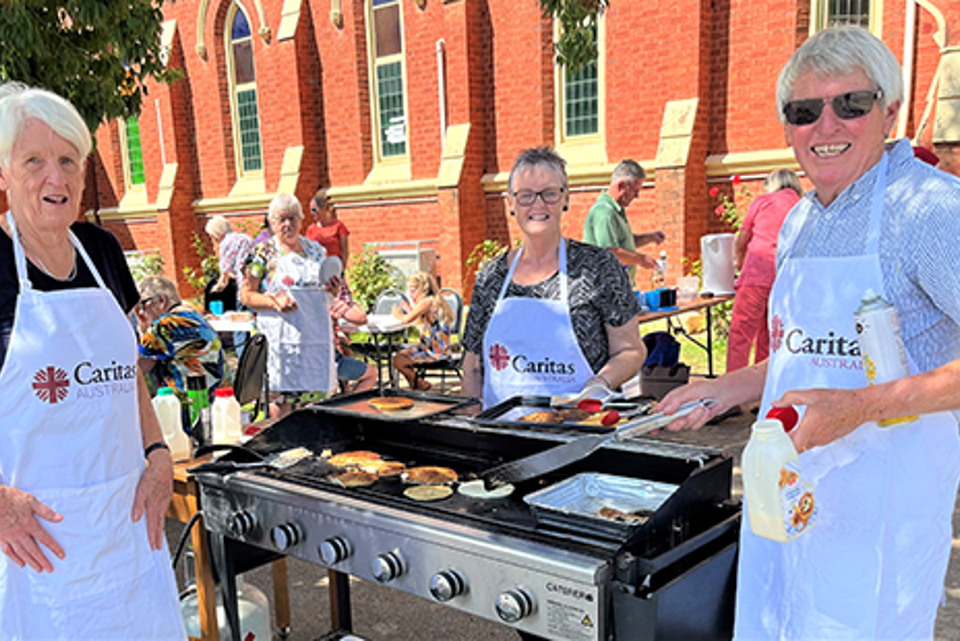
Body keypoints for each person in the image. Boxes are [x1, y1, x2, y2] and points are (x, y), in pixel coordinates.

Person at [660, 27, 960, 639]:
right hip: (788, 499)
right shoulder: (798, 219)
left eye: (850, 103)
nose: (826, 127)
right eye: (804, 112)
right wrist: (728, 388)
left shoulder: (930, 209)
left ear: (890, 111)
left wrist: (859, 408)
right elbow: (802, 353)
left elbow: (852, 388)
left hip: (881, 514)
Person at [0, 82, 184, 637]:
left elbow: (127, 373)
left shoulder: (101, 250)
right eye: (34, 160)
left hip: (128, 532)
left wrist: (157, 453)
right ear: (3, 173)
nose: (56, 177)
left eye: (68, 160)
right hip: (35, 547)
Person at [462, 147, 645, 407]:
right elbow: (472, 367)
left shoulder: (598, 267)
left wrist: (599, 384)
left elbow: (630, 351)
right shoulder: (490, 277)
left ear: (565, 198)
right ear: (510, 203)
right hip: (500, 434)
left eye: (549, 194)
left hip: (579, 432)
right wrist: (472, 426)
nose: (538, 204)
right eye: (526, 195)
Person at [241, 193, 338, 416]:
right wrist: (274, 302)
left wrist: (332, 288)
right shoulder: (261, 253)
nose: (288, 224)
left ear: (302, 220)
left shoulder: (316, 251)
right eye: (281, 219)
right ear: (272, 222)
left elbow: (327, 292)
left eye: (293, 218)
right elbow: (246, 295)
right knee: (280, 404)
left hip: (314, 340)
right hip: (280, 343)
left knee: (314, 407)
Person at [725, 169, 803, 372]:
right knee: (770, 336)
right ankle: (762, 388)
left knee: (740, 335)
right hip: (787, 279)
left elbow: (741, 241)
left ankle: (733, 389)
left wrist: (739, 264)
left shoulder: (763, 201)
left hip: (757, 274)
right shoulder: (803, 205)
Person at [135, 275, 226, 426]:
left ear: (162, 300)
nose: (141, 312)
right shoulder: (196, 316)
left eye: (143, 305)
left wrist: (143, 327)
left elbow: (136, 370)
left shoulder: (164, 326)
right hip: (216, 405)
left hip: (184, 412)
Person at [583, 159, 665, 285]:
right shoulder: (604, 212)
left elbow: (623, 244)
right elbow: (610, 252)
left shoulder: (617, 210)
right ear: (621, 186)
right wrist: (641, 259)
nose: (637, 196)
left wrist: (650, 238)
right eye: (635, 191)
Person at [392, 271, 454, 391]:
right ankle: (416, 384)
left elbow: (407, 320)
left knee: (398, 361)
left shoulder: (427, 301)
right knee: (399, 356)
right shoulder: (433, 300)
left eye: (413, 290)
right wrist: (409, 309)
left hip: (435, 351)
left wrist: (398, 314)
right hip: (435, 347)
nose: (410, 294)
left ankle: (419, 383)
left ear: (422, 288)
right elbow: (419, 323)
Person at [205, 214, 253, 355]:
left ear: (217, 234)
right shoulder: (246, 238)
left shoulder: (226, 243)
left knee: (240, 328)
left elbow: (224, 276)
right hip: (256, 288)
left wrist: (213, 291)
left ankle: (243, 361)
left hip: (243, 291)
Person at [329, 278, 377, 393]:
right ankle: (351, 406)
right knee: (371, 373)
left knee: (345, 345)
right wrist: (353, 304)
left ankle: (346, 391)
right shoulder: (328, 299)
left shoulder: (294, 299)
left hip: (299, 360)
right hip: (327, 360)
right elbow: (360, 318)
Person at [306, 191, 350, 267]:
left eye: (314, 210)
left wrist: (342, 268)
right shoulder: (311, 230)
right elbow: (307, 251)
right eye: (311, 210)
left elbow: (345, 251)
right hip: (316, 270)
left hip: (334, 268)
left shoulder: (338, 226)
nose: (312, 213)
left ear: (324, 208)